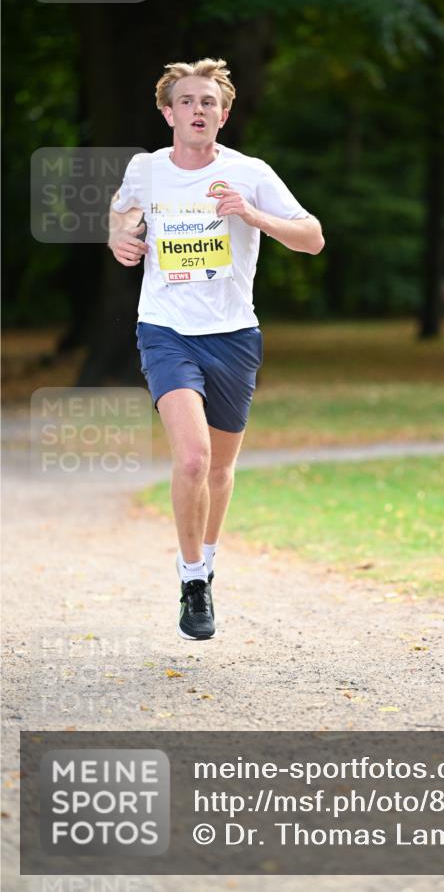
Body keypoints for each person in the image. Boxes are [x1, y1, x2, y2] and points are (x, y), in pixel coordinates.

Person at [108, 58, 324, 640]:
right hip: (165, 329)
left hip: (233, 336)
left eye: (209, 102)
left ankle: (207, 558)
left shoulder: (250, 173)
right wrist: (118, 236)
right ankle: (193, 580)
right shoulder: (146, 169)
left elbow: (313, 238)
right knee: (193, 459)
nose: (198, 110)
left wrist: (251, 215)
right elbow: (123, 209)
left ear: (223, 115)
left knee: (222, 469)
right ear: (168, 113)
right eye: (187, 101)